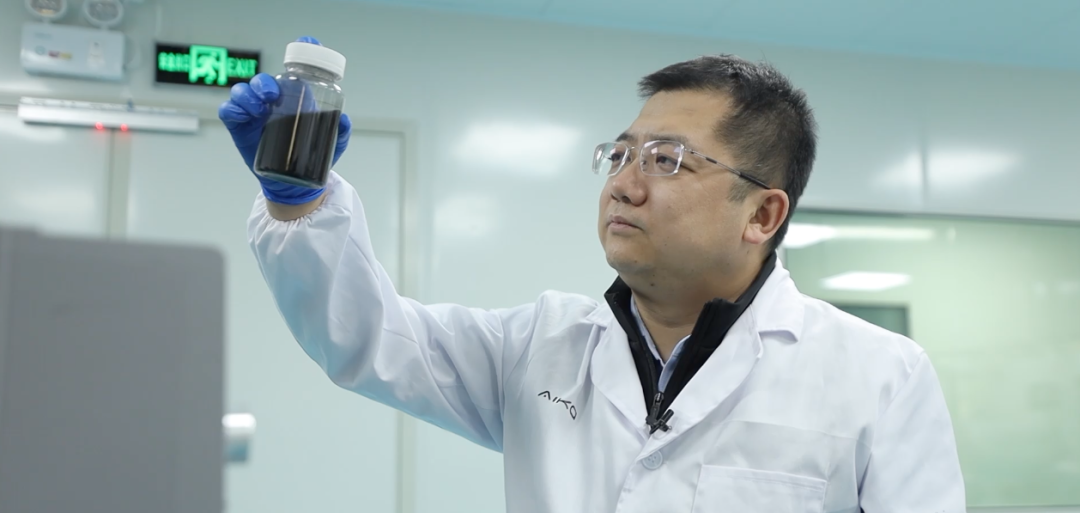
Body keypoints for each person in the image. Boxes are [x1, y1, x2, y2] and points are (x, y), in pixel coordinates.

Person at [221, 37, 966, 512]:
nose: (624, 185)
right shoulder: (538, 348)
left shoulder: (879, 375)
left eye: (667, 160)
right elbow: (364, 336)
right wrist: (300, 199)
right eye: (621, 154)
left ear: (762, 214)